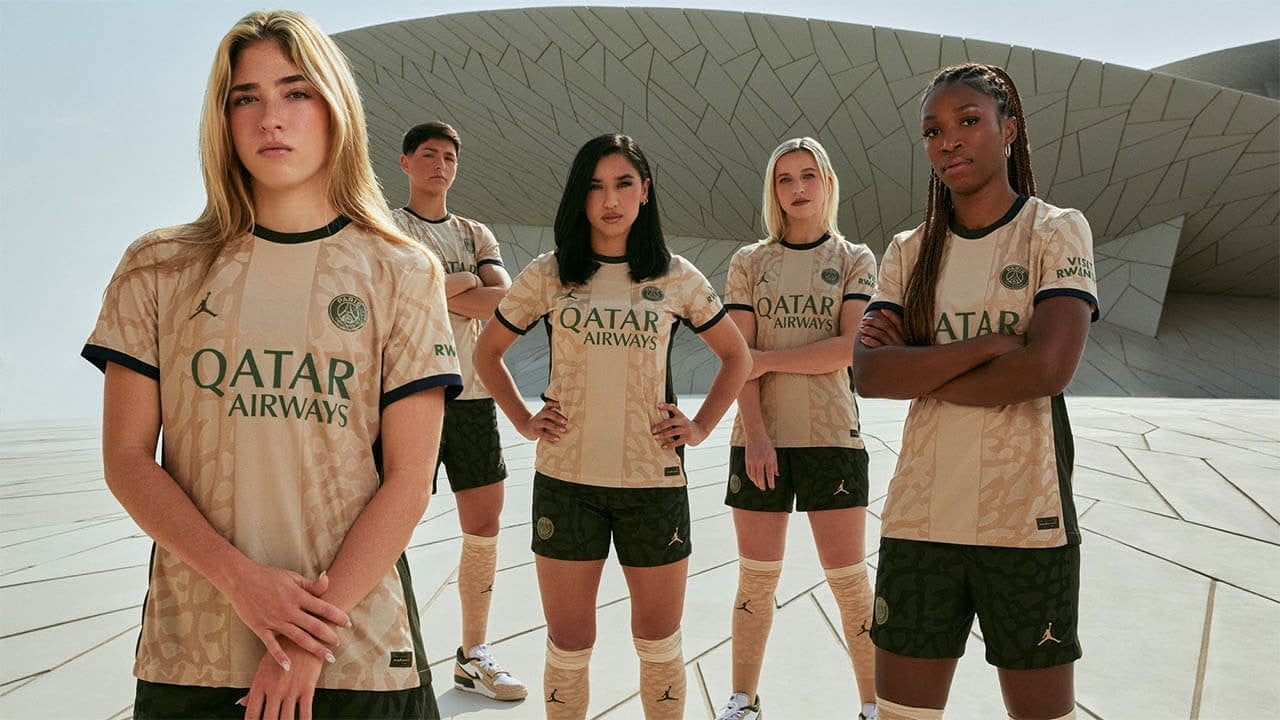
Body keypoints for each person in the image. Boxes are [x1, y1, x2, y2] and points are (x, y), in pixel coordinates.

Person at [81, 10, 461, 720]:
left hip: (357, 656)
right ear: (221, 121)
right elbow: (128, 459)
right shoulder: (159, 267)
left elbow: (410, 479)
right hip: (194, 654)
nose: (269, 119)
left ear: (334, 106)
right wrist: (243, 581)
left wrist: (304, 645)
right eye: (244, 98)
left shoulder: (401, 271)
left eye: (295, 91)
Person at [473, 133, 751, 720]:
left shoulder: (676, 276)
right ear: (579, 197)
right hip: (567, 483)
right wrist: (523, 419)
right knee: (570, 645)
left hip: (653, 484)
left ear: (645, 192)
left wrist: (699, 427)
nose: (610, 200)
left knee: (657, 642)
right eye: (596, 186)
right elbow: (487, 352)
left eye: (625, 183)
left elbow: (737, 356)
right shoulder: (549, 274)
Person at [855, 63, 1098, 720]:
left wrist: (927, 368)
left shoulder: (1055, 229)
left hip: (1027, 524)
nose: (948, 141)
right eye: (933, 130)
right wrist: (988, 348)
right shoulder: (909, 251)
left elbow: (1047, 369)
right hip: (920, 521)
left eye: (968, 121)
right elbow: (870, 375)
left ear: (1010, 130)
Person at [714, 137, 879, 720]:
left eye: (809, 176)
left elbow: (846, 349)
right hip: (760, 442)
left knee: (849, 581)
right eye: (785, 179)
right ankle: (742, 700)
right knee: (755, 581)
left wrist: (763, 358)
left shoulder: (856, 258)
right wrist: (756, 434)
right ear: (773, 191)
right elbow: (738, 359)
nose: (798, 188)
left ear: (827, 183)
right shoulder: (748, 262)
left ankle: (872, 703)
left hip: (833, 437)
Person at [391, 121, 527, 703]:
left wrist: (452, 285)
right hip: (407, 392)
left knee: (485, 522)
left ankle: (474, 654)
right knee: (388, 519)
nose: (439, 165)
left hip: (471, 395)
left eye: (448, 156)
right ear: (405, 163)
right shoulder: (390, 225)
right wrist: (463, 284)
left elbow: (509, 298)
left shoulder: (475, 231)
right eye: (428, 155)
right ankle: (381, 647)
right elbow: (398, 293)